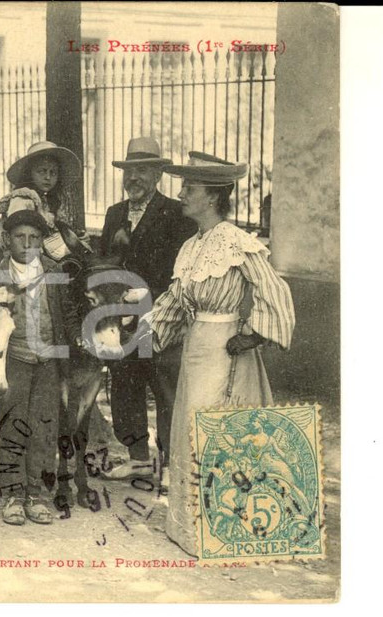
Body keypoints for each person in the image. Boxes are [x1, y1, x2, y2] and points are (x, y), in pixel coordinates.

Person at [146, 151, 295, 557]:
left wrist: (253, 336)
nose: (181, 195)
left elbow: (273, 289)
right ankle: (190, 527)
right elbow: (176, 301)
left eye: (189, 189)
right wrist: (140, 336)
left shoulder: (232, 241)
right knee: (190, 427)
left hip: (226, 351)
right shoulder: (192, 246)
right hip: (197, 347)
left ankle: (228, 527)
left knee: (217, 433)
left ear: (212, 197)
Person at [98, 137, 197, 477]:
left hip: (161, 316)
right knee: (125, 385)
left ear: (158, 175)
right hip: (122, 321)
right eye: (129, 171)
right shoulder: (114, 214)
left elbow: (183, 272)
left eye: (142, 171)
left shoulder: (176, 214)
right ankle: (138, 458)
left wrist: (148, 296)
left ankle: (170, 464)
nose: (134, 178)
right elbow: (105, 265)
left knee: (166, 388)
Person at [0, 209, 80, 526]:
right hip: (14, 360)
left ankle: (36, 494)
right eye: (19, 237)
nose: (27, 243)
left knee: (44, 428)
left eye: (34, 238)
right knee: (13, 426)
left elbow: (66, 316)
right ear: (6, 240)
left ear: (42, 241)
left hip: (48, 362)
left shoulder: (54, 273)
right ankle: (12, 495)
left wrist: (72, 351)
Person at [0, 141, 91, 262]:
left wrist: (74, 240)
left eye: (53, 172)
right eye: (42, 171)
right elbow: (21, 242)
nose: (48, 177)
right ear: (29, 173)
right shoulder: (23, 199)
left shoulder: (44, 201)